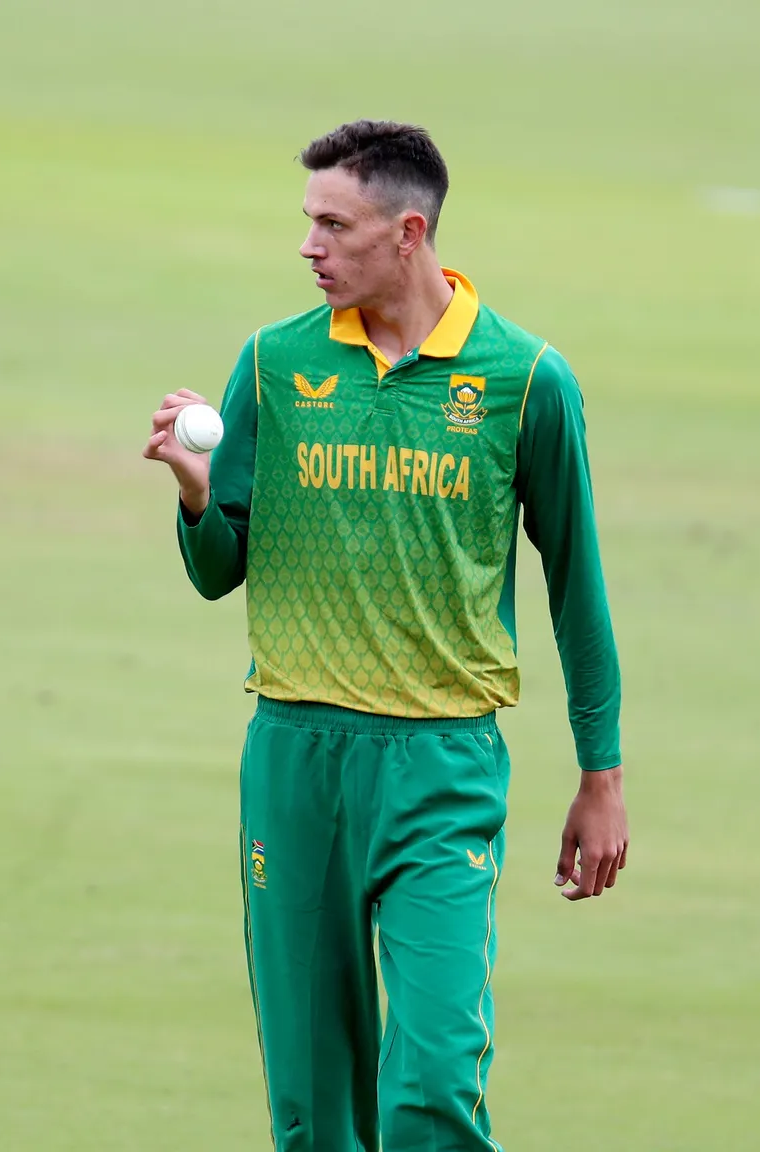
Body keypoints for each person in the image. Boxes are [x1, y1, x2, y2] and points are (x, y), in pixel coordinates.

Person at [143, 119, 628, 1152]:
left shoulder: (525, 380)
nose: (308, 247)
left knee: (433, 1086)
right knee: (314, 1108)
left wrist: (602, 775)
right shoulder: (273, 363)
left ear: (409, 233)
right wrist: (194, 496)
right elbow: (220, 569)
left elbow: (577, 590)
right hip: (294, 759)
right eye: (307, 222)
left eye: (334, 225)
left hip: (441, 767)